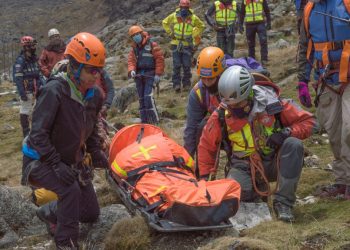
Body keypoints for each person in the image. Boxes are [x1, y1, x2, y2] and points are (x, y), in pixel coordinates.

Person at [21, 32, 109, 249]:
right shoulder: (54, 91)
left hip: (70, 161)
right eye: (91, 70)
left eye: (99, 70)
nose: (96, 76)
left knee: (90, 212)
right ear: (75, 66)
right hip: (39, 160)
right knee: (70, 190)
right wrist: (55, 163)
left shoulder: (94, 95)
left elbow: (91, 134)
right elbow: (37, 135)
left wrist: (99, 156)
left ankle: (50, 212)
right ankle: (65, 243)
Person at [198, 66, 318, 222]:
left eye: (238, 104)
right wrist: (204, 179)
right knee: (232, 198)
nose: (233, 108)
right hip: (242, 166)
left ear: (249, 95)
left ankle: (283, 204)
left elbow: (311, 122)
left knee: (293, 145)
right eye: (230, 105)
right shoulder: (221, 115)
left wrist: (286, 133)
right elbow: (206, 147)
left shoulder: (274, 104)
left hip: (273, 161)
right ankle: (255, 192)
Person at [297, 0, 350, 199]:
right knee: (335, 134)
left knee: (349, 128)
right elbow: (304, 47)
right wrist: (302, 80)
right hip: (326, 80)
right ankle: (343, 181)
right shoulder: (309, 11)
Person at [183, 46, 226, 158]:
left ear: (221, 74)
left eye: (211, 79)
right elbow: (192, 128)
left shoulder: (234, 85)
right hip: (221, 126)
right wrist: (187, 159)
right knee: (202, 127)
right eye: (203, 78)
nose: (207, 83)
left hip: (242, 129)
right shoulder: (198, 92)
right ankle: (202, 172)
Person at [162, 0, 205, 92]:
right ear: (180, 7)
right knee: (176, 65)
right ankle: (176, 84)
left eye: (186, 7)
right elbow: (164, 22)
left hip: (187, 45)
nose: (184, 9)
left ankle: (186, 84)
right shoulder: (174, 15)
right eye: (182, 7)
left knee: (186, 65)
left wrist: (194, 35)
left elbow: (202, 26)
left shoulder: (193, 18)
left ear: (189, 8)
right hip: (175, 43)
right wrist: (170, 33)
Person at [127, 25, 164, 124]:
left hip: (150, 75)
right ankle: (145, 122)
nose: (135, 37)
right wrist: (131, 71)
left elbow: (159, 59)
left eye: (137, 34)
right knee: (142, 100)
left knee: (148, 97)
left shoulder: (152, 44)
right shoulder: (134, 49)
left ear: (141, 33)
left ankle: (155, 121)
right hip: (139, 77)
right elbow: (131, 61)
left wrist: (158, 74)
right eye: (133, 36)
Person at [13, 36, 43, 137]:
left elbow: (39, 74)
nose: (34, 47)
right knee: (25, 111)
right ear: (26, 46)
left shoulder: (35, 59)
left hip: (36, 91)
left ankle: (35, 132)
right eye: (32, 45)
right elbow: (18, 78)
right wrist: (22, 92)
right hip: (27, 91)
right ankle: (26, 134)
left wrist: (40, 86)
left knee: (37, 111)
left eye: (34, 45)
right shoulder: (20, 61)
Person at [238, 0, 271, 67]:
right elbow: (242, 13)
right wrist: (240, 25)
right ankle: (252, 61)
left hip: (260, 23)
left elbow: (267, 10)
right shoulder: (245, 1)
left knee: (263, 41)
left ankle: (264, 60)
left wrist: (269, 22)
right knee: (250, 44)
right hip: (249, 25)